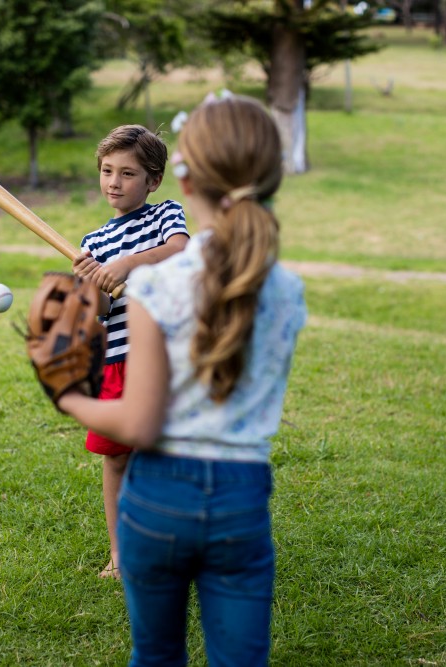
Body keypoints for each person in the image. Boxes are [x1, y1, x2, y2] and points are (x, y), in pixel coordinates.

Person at [59, 96, 306, 666]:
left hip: (161, 502)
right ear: (271, 179)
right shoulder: (287, 291)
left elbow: (138, 423)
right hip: (243, 503)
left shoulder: (156, 287)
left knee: (156, 656)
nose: (114, 181)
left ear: (182, 180)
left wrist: (69, 394)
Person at [73, 124, 189, 579]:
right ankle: (120, 555)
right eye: (106, 171)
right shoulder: (92, 244)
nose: (114, 182)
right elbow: (100, 308)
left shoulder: (165, 216)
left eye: (127, 173)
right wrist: (91, 282)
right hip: (118, 362)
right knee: (117, 456)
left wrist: (125, 264)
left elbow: (179, 252)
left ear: (152, 181)